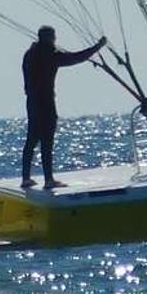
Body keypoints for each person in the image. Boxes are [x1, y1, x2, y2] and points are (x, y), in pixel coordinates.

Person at [21, 26, 106, 188]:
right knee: (47, 140)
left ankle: (25, 178)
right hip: (45, 102)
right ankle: (49, 180)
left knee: (31, 139)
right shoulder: (50, 55)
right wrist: (98, 46)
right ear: (50, 38)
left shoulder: (29, 54)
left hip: (31, 102)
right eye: (53, 37)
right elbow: (76, 58)